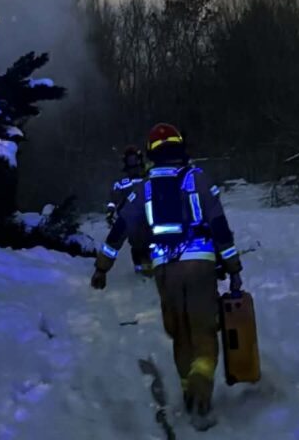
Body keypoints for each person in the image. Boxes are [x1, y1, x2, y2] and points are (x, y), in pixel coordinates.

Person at [91, 123, 243, 429]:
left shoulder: (143, 189)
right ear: (180, 147)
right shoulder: (198, 179)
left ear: (150, 154)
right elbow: (219, 226)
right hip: (200, 266)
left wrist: (102, 268)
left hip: (165, 270)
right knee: (203, 330)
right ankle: (201, 383)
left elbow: (119, 230)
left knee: (180, 333)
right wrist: (233, 268)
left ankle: (189, 390)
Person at [105, 145, 153, 275]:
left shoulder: (149, 176)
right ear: (125, 161)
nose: (133, 162)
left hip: (149, 215)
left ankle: (152, 269)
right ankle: (140, 272)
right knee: (136, 244)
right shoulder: (122, 182)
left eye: (135, 159)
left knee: (151, 242)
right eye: (129, 159)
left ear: (140, 159)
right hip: (130, 218)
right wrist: (110, 212)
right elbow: (113, 198)